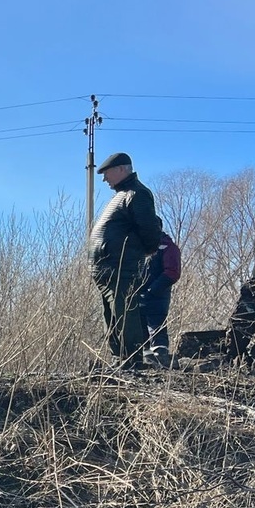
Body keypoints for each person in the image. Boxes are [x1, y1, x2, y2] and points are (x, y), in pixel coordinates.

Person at [89, 152, 163, 368]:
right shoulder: (121, 196)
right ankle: (120, 358)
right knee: (112, 315)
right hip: (107, 269)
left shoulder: (137, 194)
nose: (104, 179)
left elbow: (149, 229)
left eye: (106, 173)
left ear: (122, 169)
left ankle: (132, 360)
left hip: (121, 267)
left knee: (125, 311)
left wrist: (147, 250)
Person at [138, 221, 177, 368]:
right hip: (140, 296)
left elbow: (172, 272)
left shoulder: (167, 246)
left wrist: (152, 290)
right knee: (141, 333)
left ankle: (162, 362)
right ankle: (146, 364)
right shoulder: (142, 246)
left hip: (157, 297)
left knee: (157, 329)